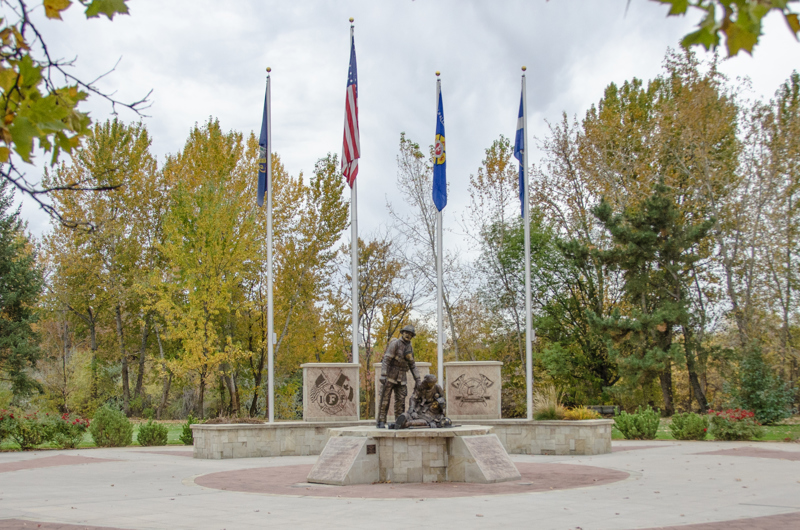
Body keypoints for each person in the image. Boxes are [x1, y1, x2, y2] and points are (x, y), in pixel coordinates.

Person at [376, 324, 421, 428]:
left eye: (410, 334)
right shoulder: (395, 344)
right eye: (406, 333)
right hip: (390, 375)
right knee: (385, 399)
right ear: (402, 333)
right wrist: (383, 374)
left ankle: (398, 421)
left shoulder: (410, 348)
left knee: (401, 400)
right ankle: (381, 420)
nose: (408, 335)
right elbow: (386, 360)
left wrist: (418, 379)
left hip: (402, 377)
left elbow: (412, 365)